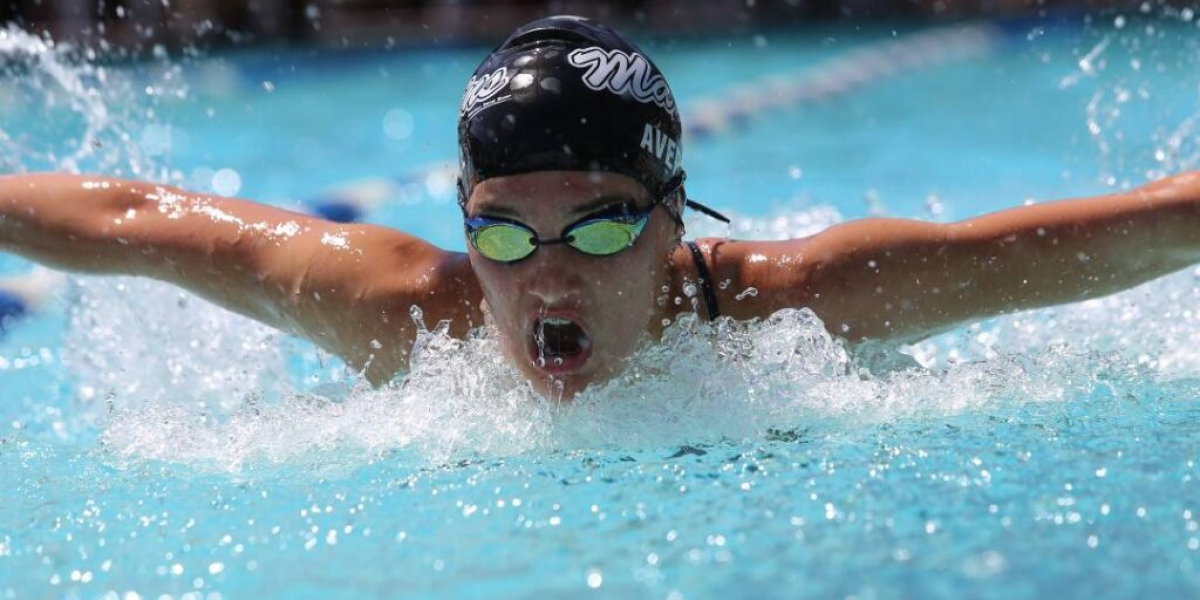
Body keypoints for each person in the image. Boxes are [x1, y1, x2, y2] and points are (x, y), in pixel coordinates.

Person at [1, 15, 1198, 399]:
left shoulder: (797, 310)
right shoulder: (415, 317)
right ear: (465, 219)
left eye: (606, 224)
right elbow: (129, 220)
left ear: (678, 220)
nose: (548, 277)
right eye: (505, 233)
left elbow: (1119, 235)